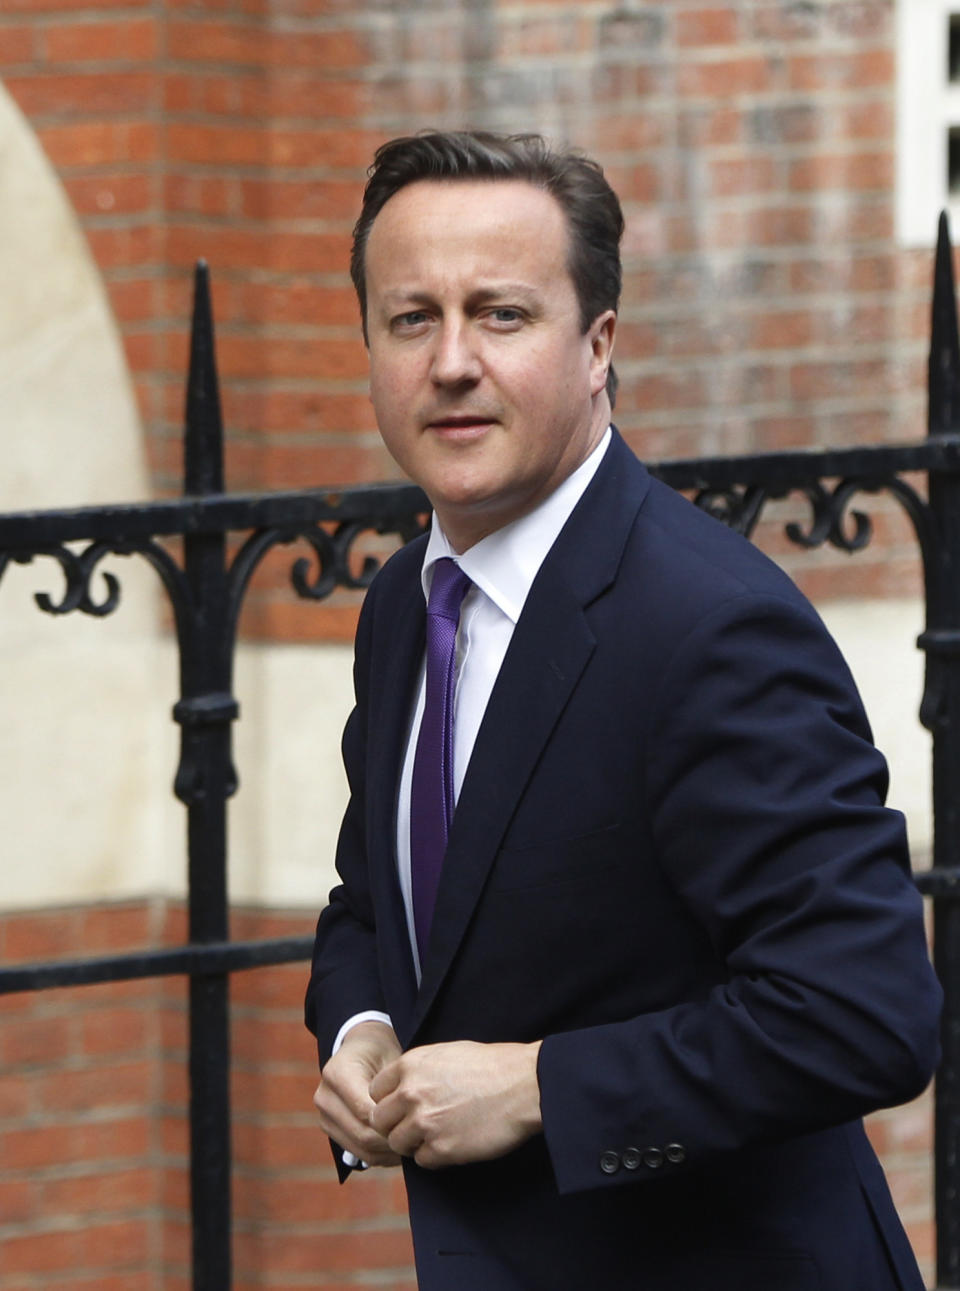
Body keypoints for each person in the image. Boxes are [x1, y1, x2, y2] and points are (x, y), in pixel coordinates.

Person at [305, 130, 942, 1291]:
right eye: (412, 318)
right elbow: (379, 906)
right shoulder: (406, 601)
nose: (451, 361)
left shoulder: (708, 624)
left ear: (598, 345)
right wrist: (358, 1034)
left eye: (501, 314)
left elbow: (864, 1012)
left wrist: (541, 1088)